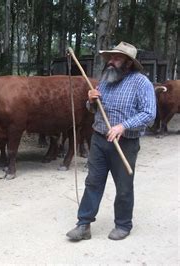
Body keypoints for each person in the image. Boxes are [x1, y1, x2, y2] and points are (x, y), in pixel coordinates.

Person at [66, 41, 157, 241]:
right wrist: (90, 101)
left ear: (129, 63)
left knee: (124, 185)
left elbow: (149, 114)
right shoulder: (105, 80)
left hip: (125, 143)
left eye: (116, 58)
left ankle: (123, 225)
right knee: (93, 182)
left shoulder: (141, 82)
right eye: (110, 58)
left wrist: (123, 126)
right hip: (99, 139)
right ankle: (84, 225)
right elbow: (93, 109)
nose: (110, 61)